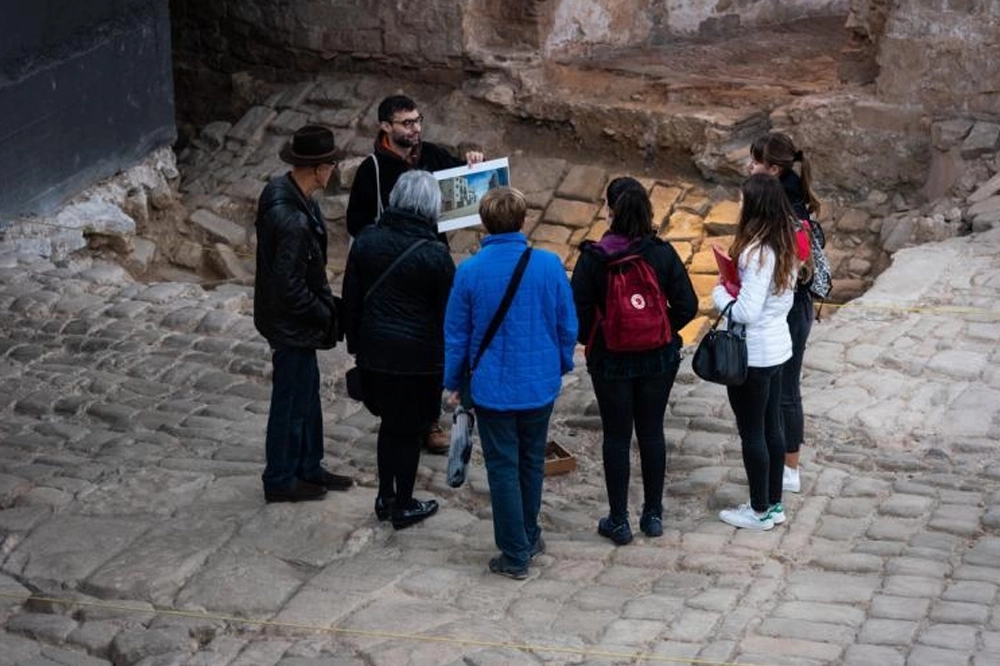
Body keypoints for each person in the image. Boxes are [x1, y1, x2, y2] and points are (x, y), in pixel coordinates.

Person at [443, 187, 577, 580]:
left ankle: (515, 551)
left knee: (502, 467)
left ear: (484, 224)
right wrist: (560, 364)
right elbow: (567, 325)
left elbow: (457, 336)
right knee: (531, 462)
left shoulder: (468, 272)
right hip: (538, 386)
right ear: (523, 221)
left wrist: (453, 382)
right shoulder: (549, 265)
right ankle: (529, 534)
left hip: (492, 389)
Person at [346, 94, 484, 454]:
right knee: (400, 340)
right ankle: (402, 415)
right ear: (386, 127)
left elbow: (464, 183)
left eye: (418, 120)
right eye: (407, 123)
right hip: (391, 270)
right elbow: (356, 224)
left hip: (429, 261)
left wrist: (472, 164)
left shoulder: (432, 155)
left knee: (435, 340)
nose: (416, 128)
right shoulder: (373, 170)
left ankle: (429, 420)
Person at [571, 177, 698, 545]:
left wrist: (601, 339)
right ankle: (653, 514)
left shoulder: (594, 258)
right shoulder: (661, 253)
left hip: (610, 361)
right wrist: (660, 329)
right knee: (652, 431)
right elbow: (688, 305)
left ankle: (618, 519)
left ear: (610, 210)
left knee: (616, 435)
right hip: (658, 359)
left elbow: (577, 314)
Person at [343, 170, 455, 530]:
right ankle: (403, 503)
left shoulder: (366, 240)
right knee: (406, 431)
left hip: (375, 353)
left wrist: (357, 347)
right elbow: (447, 314)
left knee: (390, 426)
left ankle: (385, 495)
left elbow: (352, 299)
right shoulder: (436, 254)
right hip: (417, 361)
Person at [254, 125, 354, 503]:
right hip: (289, 324)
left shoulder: (294, 195)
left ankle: (308, 465)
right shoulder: (292, 218)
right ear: (319, 168)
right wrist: (327, 314)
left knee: (307, 396)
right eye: (331, 164)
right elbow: (289, 286)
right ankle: (280, 477)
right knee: (290, 401)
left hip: (290, 320)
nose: (333, 171)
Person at [712, 173, 800, 530]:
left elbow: (746, 312)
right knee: (772, 428)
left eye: (743, 201)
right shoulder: (786, 245)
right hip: (778, 348)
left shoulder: (756, 252)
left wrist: (720, 293)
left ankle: (759, 508)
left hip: (756, 354)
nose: (739, 207)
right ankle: (774, 504)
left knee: (753, 431)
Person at [748, 133, 822, 494]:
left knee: (787, 389)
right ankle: (781, 460)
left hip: (792, 310)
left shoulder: (787, 211)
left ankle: (790, 468)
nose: (750, 166)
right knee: (781, 389)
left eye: (756, 162)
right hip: (793, 307)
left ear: (773, 169)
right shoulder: (790, 197)